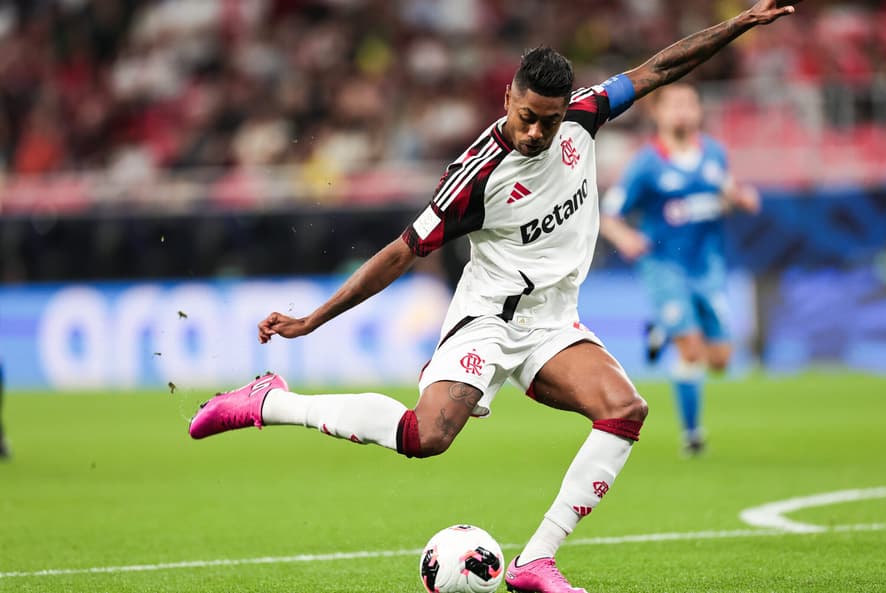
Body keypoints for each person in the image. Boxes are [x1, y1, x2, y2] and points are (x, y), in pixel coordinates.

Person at [189, 3, 800, 592]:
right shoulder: (476, 177)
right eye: (527, 116)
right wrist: (312, 320)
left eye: (549, 120)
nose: (536, 132)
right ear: (508, 97)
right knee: (427, 437)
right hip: (488, 320)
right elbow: (401, 251)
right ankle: (270, 402)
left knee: (625, 409)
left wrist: (741, 22)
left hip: (553, 321)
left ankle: (535, 561)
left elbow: (658, 70)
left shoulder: (585, 116)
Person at [600, 83, 761, 456]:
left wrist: (741, 199)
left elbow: (729, 193)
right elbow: (610, 214)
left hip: (708, 268)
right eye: (673, 105)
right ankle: (692, 435)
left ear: (699, 110)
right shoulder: (646, 163)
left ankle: (661, 329)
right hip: (664, 267)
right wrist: (624, 237)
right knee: (690, 351)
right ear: (657, 113)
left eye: (689, 104)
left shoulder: (714, 154)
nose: (682, 112)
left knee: (720, 360)